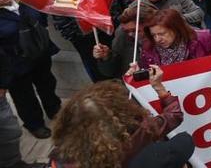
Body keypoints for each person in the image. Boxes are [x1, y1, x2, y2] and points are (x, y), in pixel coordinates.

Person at [50, 68, 194, 167]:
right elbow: (173, 116)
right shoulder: (142, 133)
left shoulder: (63, 156)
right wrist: (159, 88)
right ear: (122, 109)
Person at [0, 0, 60, 139]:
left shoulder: (23, 3)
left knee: (47, 85)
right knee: (24, 97)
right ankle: (34, 124)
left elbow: (40, 17)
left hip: (39, 57)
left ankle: (55, 111)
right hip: (15, 64)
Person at [138, 9, 211, 68]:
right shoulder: (148, 49)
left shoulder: (203, 39)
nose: (157, 39)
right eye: (153, 35)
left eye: (162, 34)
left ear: (176, 29)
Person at [93, 5, 158, 79]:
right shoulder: (122, 37)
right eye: (127, 31)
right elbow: (110, 72)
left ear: (148, 25)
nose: (130, 34)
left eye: (135, 30)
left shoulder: (164, 39)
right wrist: (106, 57)